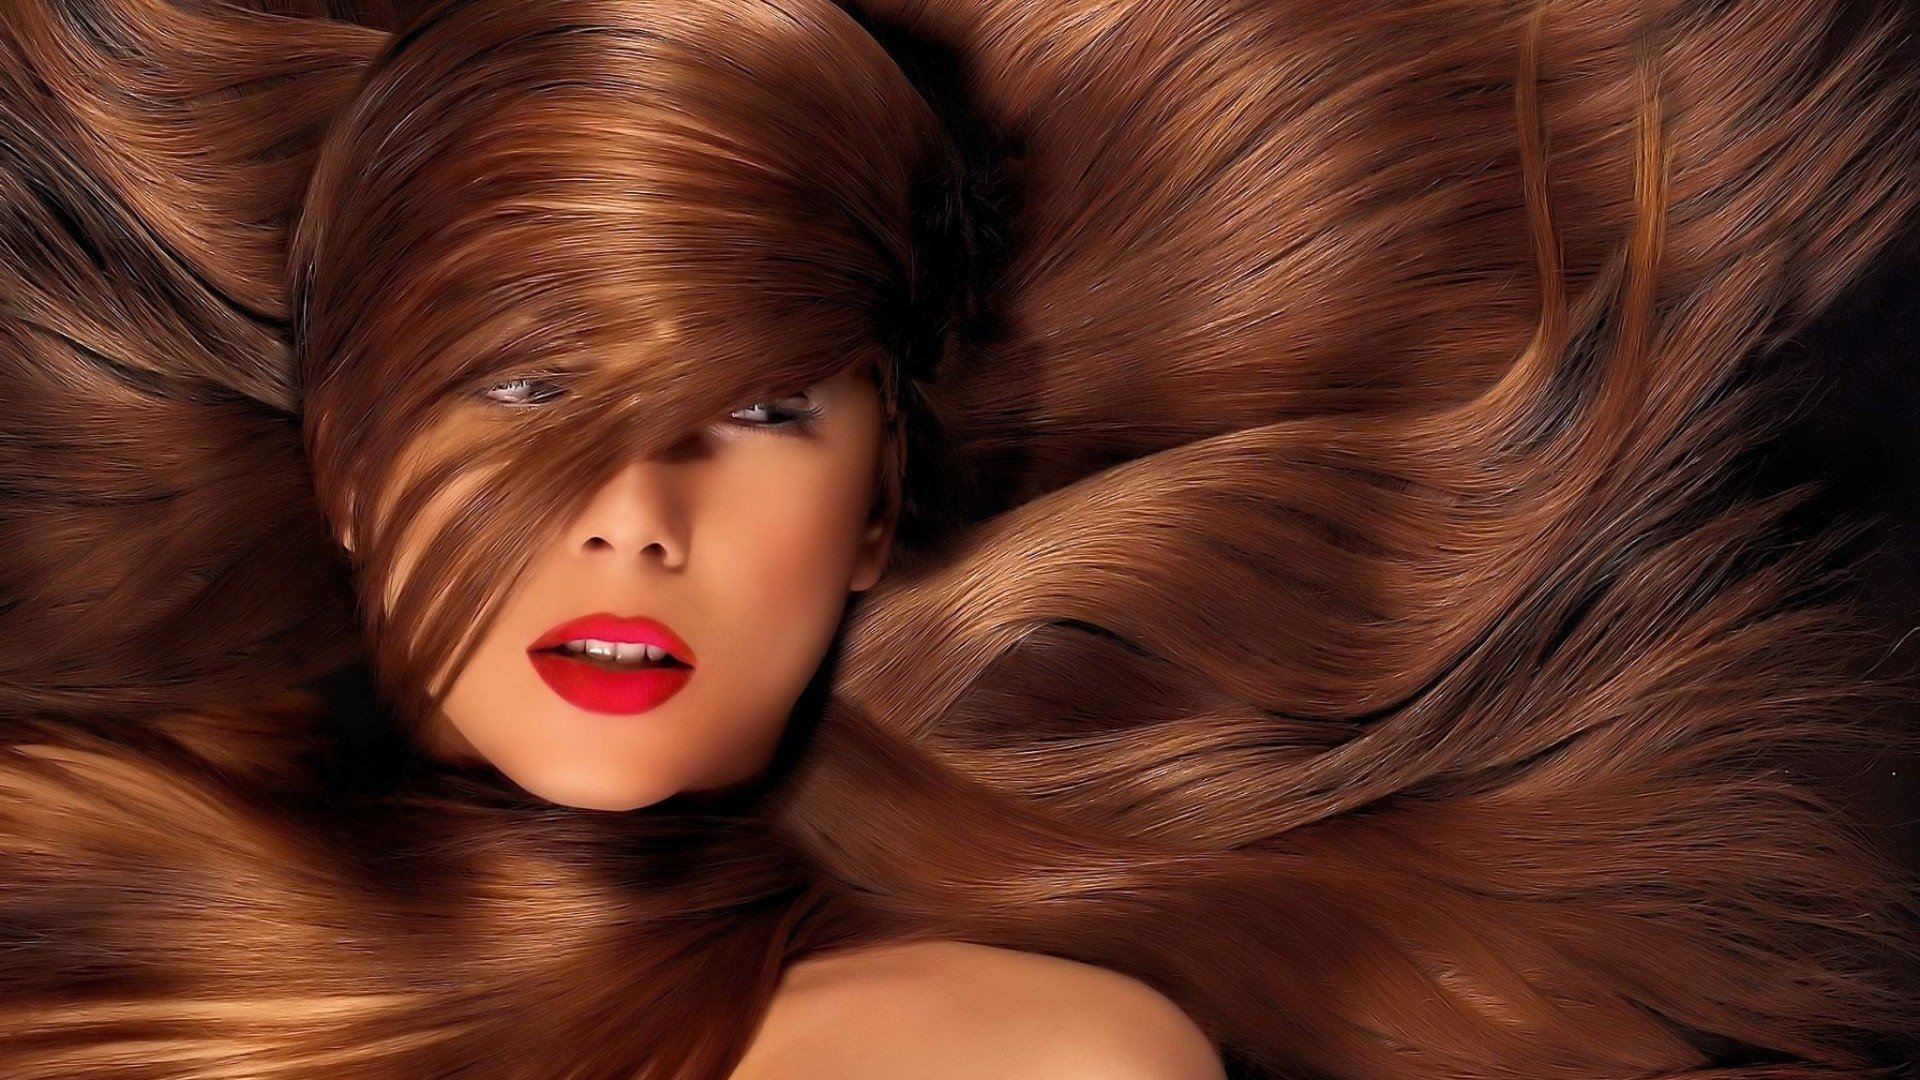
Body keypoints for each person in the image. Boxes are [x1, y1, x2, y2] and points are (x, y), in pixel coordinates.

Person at [0, 0, 1914, 1076]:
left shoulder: (1006, 1056)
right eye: (517, 392)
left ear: (875, 509)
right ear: (342, 454)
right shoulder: (69, 919)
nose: (637, 522)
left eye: (758, 415)